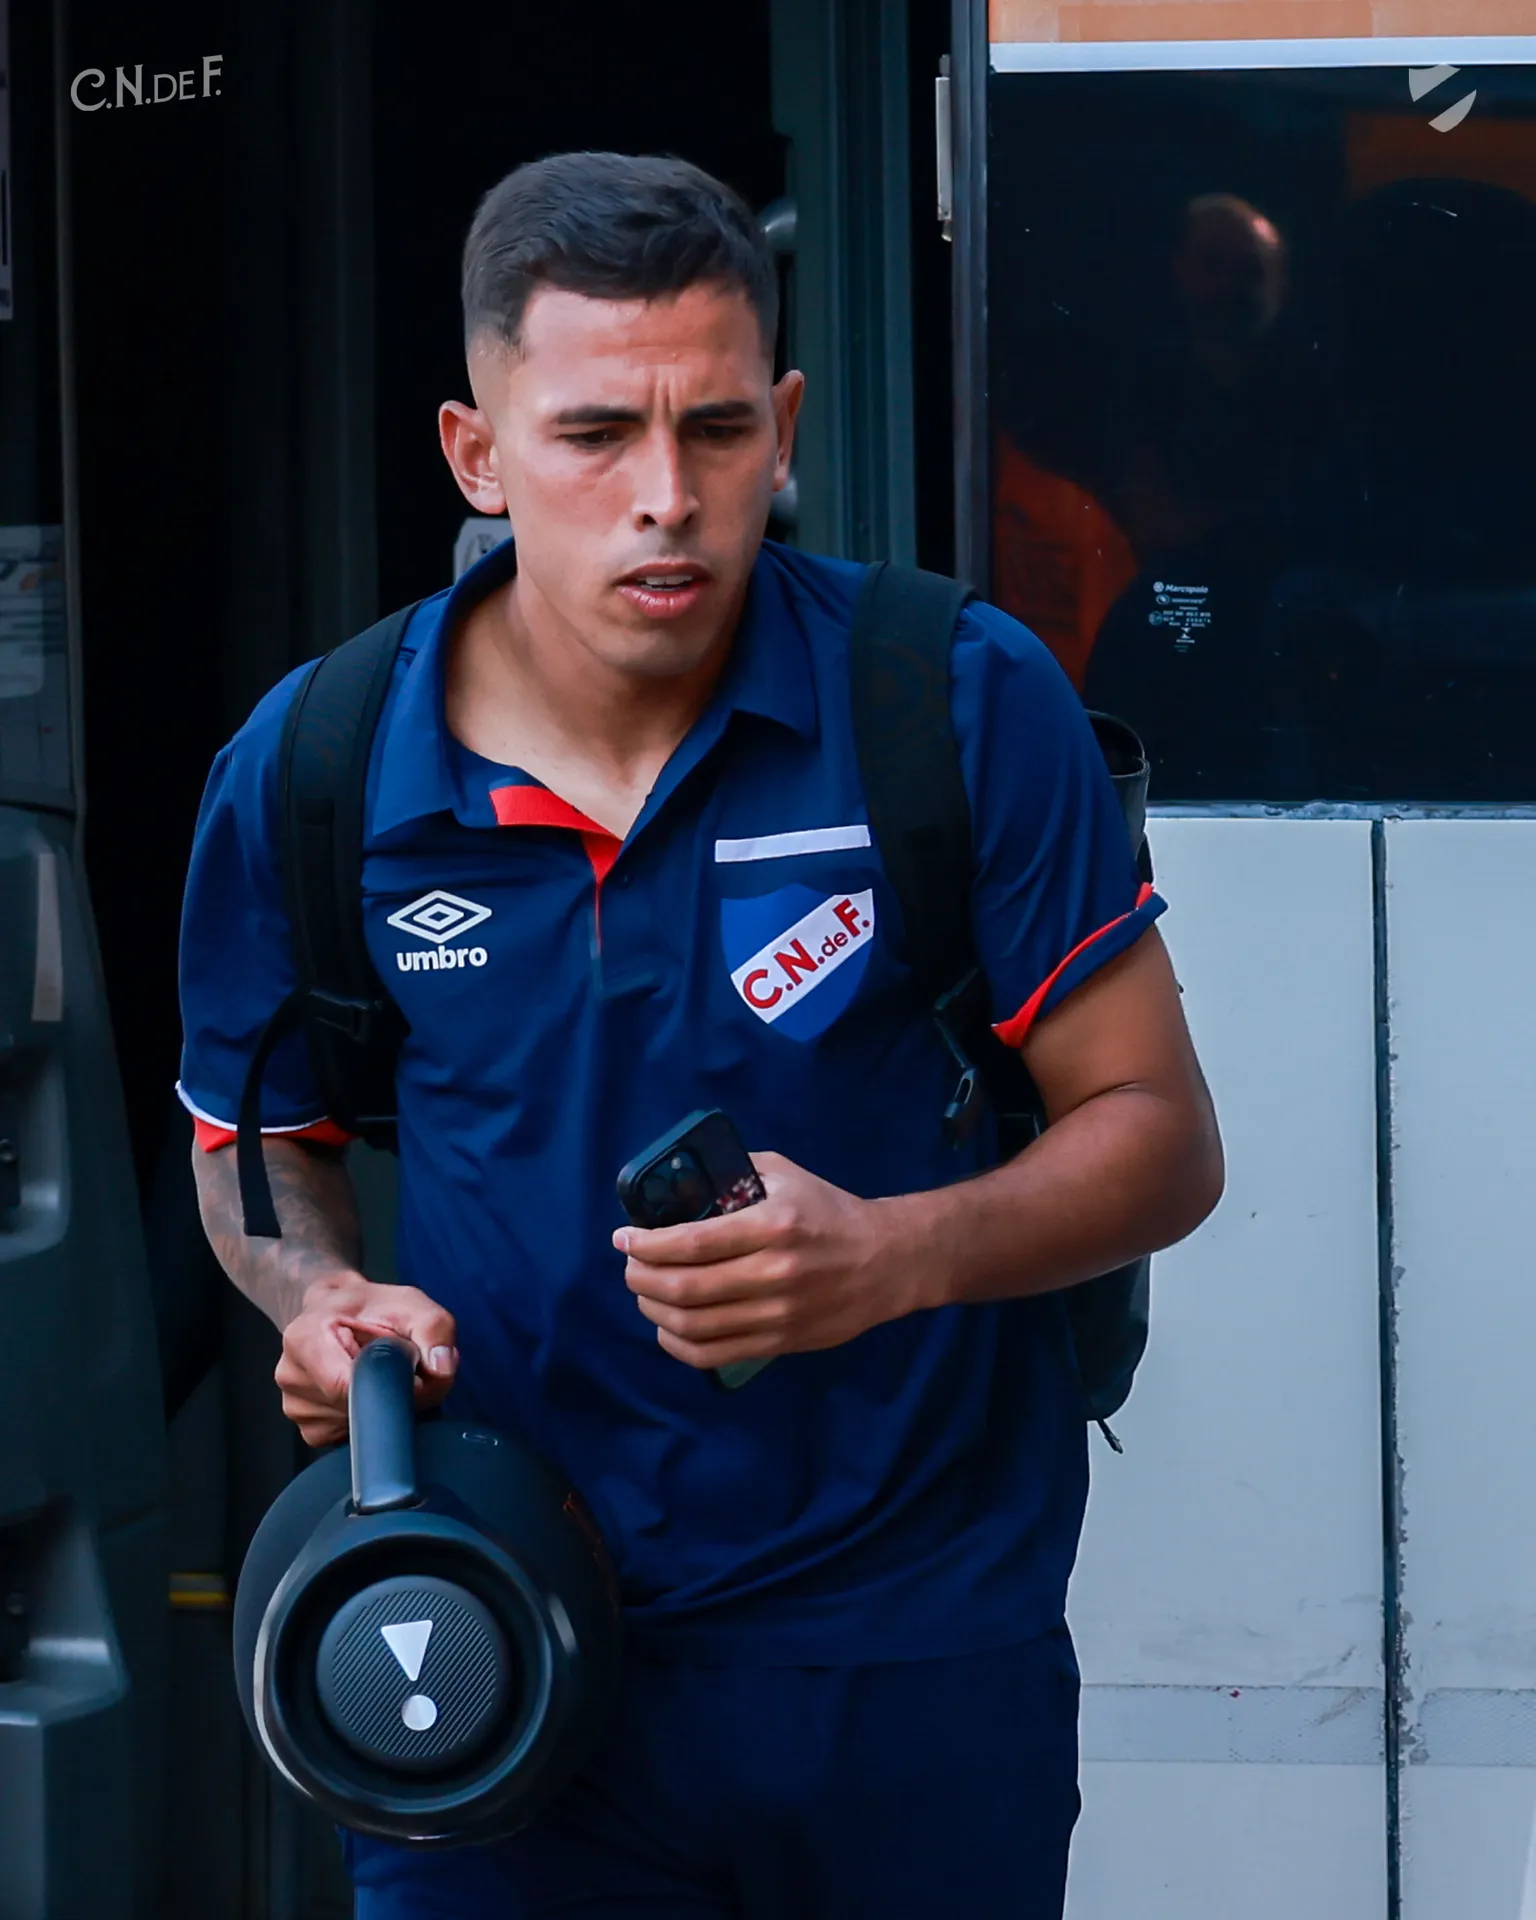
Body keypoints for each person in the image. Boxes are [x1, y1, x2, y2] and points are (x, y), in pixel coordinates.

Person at [178, 151, 1224, 1920]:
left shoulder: (951, 700)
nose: (666, 498)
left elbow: (1161, 1136)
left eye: (719, 429)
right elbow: (255, 1141)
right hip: (495, 1631)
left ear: (785, 426)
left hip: (911, 1650)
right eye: (595, 436)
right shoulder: (318, 764)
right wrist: (320, 1295)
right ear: (476, 452)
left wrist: (891, 1253)